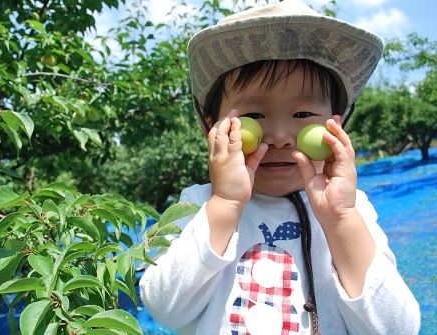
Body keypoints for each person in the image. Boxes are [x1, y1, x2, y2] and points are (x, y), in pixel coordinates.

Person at [139, 1, 421, 334]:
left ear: (337, 126)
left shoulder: (352, 210)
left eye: (303, 115)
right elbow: (164, 308)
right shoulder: (198, 206)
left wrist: (341, 221)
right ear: (211, 129)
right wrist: (225, 205)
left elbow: (397, 328)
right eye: (253, 117)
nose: (280, 137)